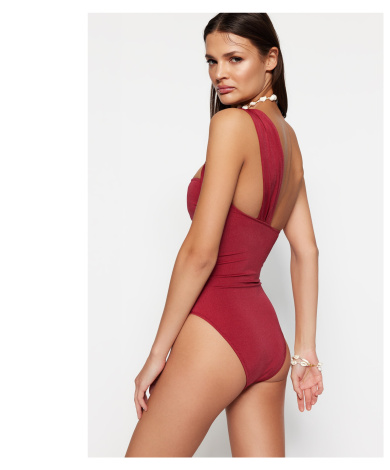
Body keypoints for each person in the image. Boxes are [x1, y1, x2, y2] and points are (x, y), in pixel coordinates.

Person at [125, 13, 323, 458]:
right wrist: (304, 354)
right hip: (267, 340)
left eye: (235, 58)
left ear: (270, 59)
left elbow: (200, 253)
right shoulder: (290, 140)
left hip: (218, 328)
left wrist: (157, 355)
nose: (219, 74)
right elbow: (307, 250)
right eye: (211, 61)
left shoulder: (231, 125)